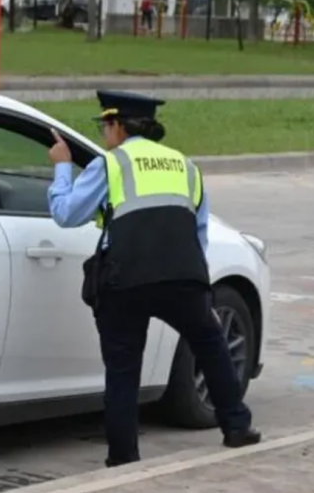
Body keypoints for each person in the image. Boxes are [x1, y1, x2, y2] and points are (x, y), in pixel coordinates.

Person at [46, 90, 261, 467]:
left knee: (124, 368)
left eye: (104, 126)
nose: (103, 135)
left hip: (126, 278)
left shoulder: (112, 164)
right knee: (211, 345)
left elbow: (66, 213)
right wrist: (198, 286)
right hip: (183, 275)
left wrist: (63, 166)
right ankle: (237, 426)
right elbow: (199, 232)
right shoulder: (185, 165)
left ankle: (123, 456)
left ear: (117, 126)